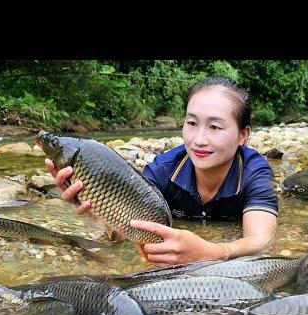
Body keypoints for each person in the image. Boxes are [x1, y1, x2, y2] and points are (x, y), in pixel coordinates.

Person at [45, 76, 278, 267]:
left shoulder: (254, 172)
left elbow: (260, 240)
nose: (199, 140)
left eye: (215, 127)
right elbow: (124, 235)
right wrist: (98, 210)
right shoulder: (163, 170)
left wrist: (212, 251)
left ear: (242, 135)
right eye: (192, 123)